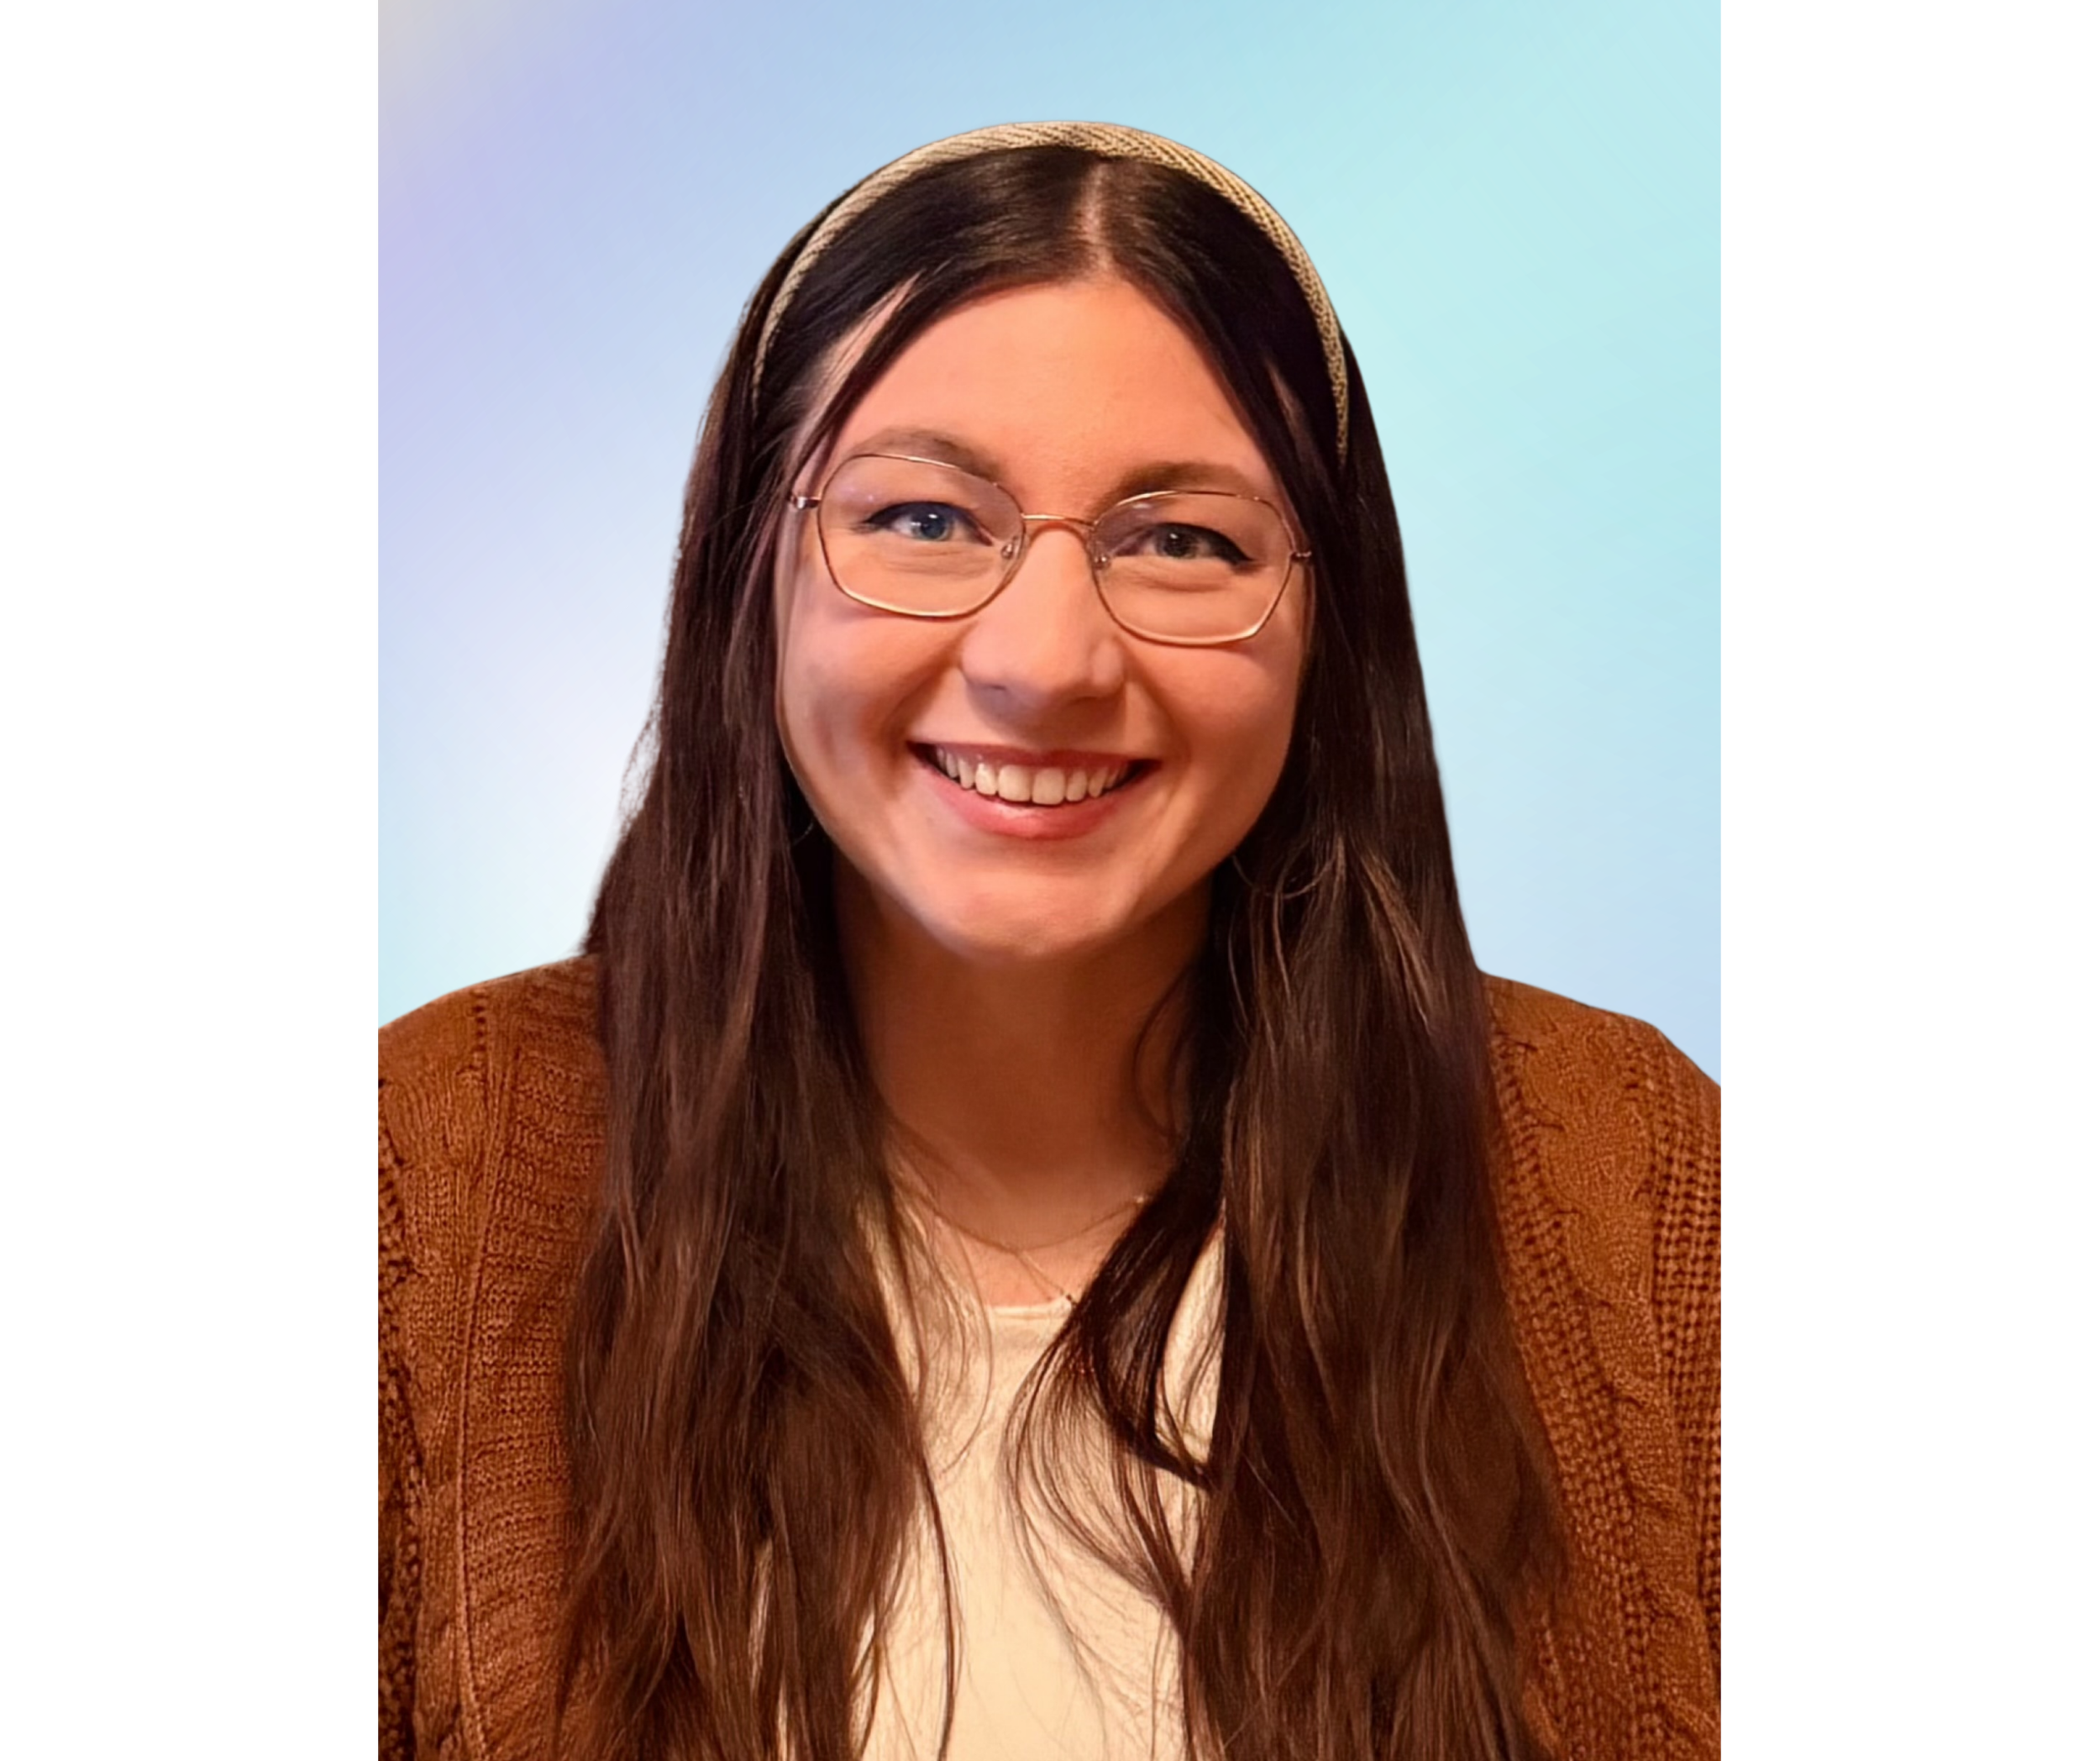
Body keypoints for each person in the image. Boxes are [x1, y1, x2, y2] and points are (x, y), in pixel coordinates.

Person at [378, 122, 1720, 1761]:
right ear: (751, 575)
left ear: (1330, 626)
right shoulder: (421, 1179)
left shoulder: (1643, 1175)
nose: (1046, 660)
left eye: (1184, 541)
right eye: (924, 518)